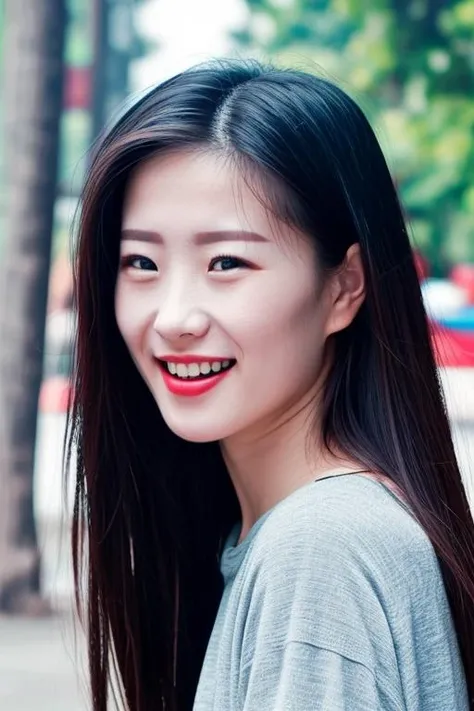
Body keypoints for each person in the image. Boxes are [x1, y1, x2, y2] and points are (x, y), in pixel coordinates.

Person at [67, 59, 474, 711]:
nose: (174, 317)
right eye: (141, 262)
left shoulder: (323, 551)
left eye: (227, 261)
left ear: (344, 286)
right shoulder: (286, 535)